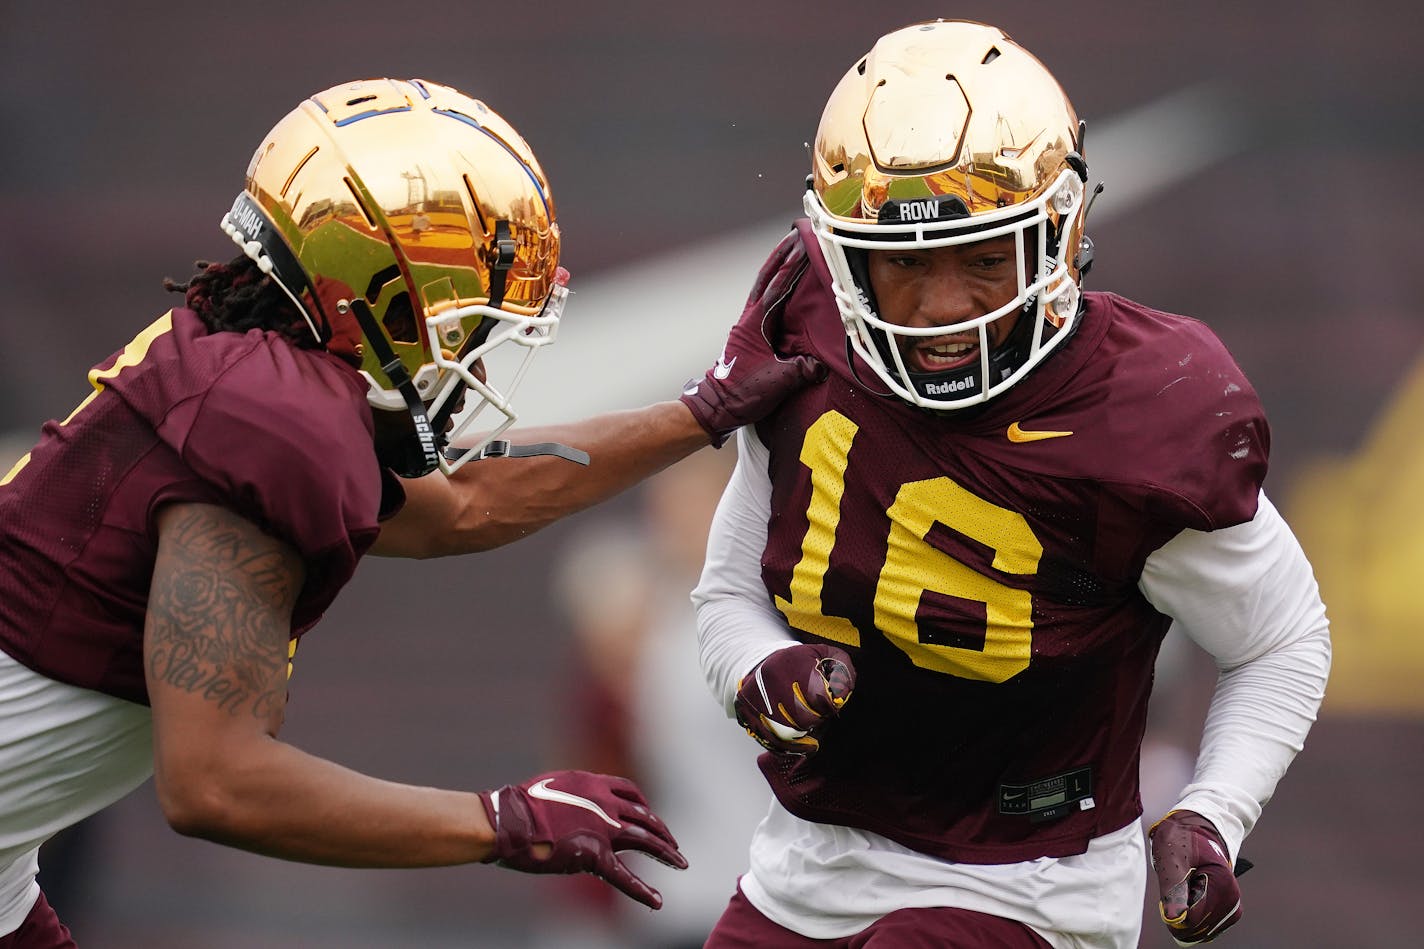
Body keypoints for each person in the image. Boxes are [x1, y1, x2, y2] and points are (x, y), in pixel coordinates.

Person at [0, 77, 820, 946]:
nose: (474, 351)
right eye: (471, 319)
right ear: (379, 299)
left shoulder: (252, 371)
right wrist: (498, 820)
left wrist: (703, 410)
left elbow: (460, 504)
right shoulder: (269, 423)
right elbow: (216, 781)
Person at [692, 20, 1330, 949]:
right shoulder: (806, 335)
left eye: (985, 260)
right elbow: (728, 591)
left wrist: (1215, 810)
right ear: (845, 255)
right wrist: (760, 670)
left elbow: (1282, 637)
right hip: (815, 861)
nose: (943, 306)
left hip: (1032, 884)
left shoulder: (1142, 407)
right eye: (906, 264)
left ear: (1059, 237)